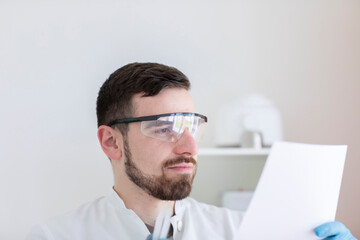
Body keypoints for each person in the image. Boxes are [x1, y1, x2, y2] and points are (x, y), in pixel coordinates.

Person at [27, 62, 356, 240]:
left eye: (192, 127)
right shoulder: (54, 237)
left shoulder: (243, 233)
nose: (190, 147)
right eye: (163, 128)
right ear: (112, 142)